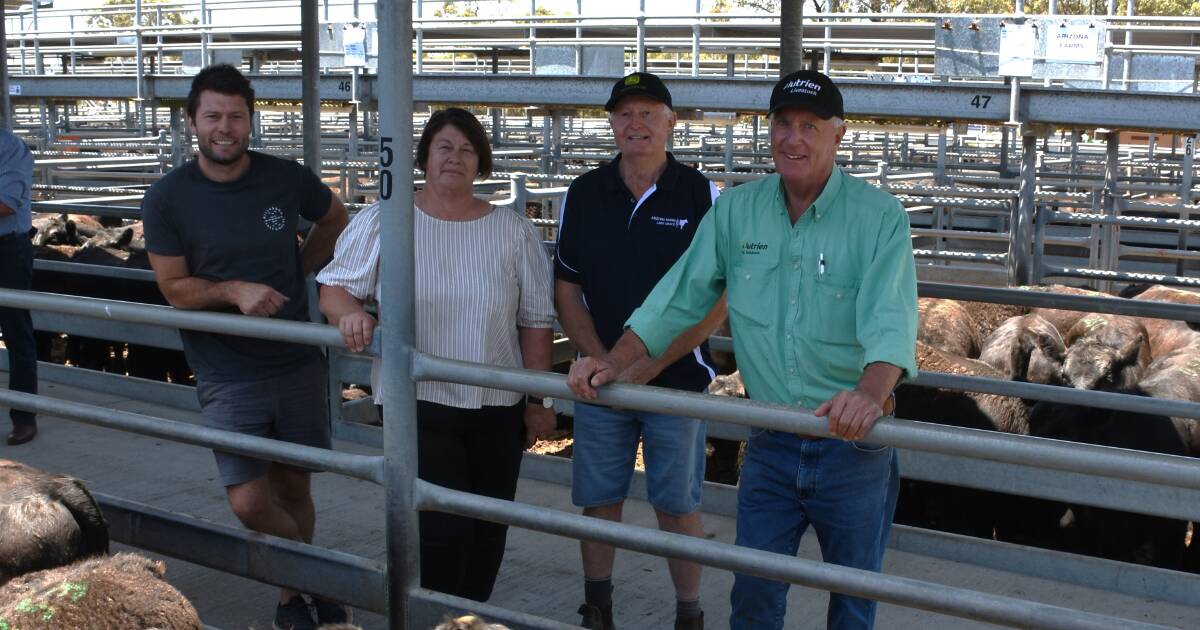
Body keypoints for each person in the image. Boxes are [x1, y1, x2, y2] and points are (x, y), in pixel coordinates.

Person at [566, 69, 918, 630]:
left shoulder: (880, 218)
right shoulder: (736, 211)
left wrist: (869, 395)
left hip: (853, 444)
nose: (793, 137)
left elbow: (890, 321)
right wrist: (615, 361)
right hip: (772, 440)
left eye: (810, 125)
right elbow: (676, 300)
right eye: (782, 123)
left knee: (853, 597)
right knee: (752, 594)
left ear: (839, 135)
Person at [317, 107, 556, 603]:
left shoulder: (513, 231)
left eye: (467, 149)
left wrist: (541, 400)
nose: (455, 157)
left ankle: (466, 614)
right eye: (444, 146)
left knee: (490, 524)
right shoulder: (386, 220)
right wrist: (350, 316)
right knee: (443, 530)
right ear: (425, 155)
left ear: (481, 162)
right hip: (416, 399)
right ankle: (435, 616)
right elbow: (334, 289)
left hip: (497, 403)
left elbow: (535, 321)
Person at [142, 64, 350, 630]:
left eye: (236, 115)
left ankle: (292, 598)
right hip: (225, 367)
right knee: (249, 501)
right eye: (213, 115)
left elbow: (334, 218)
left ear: (250, 120)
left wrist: (297, 270)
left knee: (293, 485)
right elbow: (173, 288)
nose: (225, 127)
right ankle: (321, 577)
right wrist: (233, 291)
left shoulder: (285, 177)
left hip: (295, 359)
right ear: (193, 122)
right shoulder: (168, 198)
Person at [554, 71, 726, 630]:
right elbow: (567, 288)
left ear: (671, 121)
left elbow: (716, 300)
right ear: (612, 124)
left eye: (648, 112)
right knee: (599, 497)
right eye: (625, 114)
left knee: (677, 503)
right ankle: (597, 605)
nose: (636, 124)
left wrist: (646, 365)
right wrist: (602, 358)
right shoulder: (583, 193)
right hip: (601, 375)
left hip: (675, 378)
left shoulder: (702, 194)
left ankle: (688, 613)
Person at [0, 128, 37, 446]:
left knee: (16, 332)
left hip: (7, 250)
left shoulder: (10, 147)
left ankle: (24, 416)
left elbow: (6, 203)